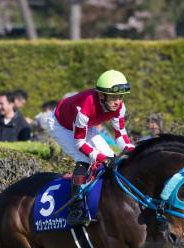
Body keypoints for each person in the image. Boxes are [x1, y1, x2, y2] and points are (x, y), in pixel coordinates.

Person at [49, 69, 135, 226]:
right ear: (101, 95)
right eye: (114, 97)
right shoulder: (85, 108)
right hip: (60, 125)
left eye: (120, 97)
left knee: (111, 156)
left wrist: (133, 150)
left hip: (86, 126)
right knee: (84, 158)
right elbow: (80, 144)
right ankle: (76, 209)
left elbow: (121, 136)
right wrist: (101, 158)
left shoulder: (120, 108)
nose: (118, 102)